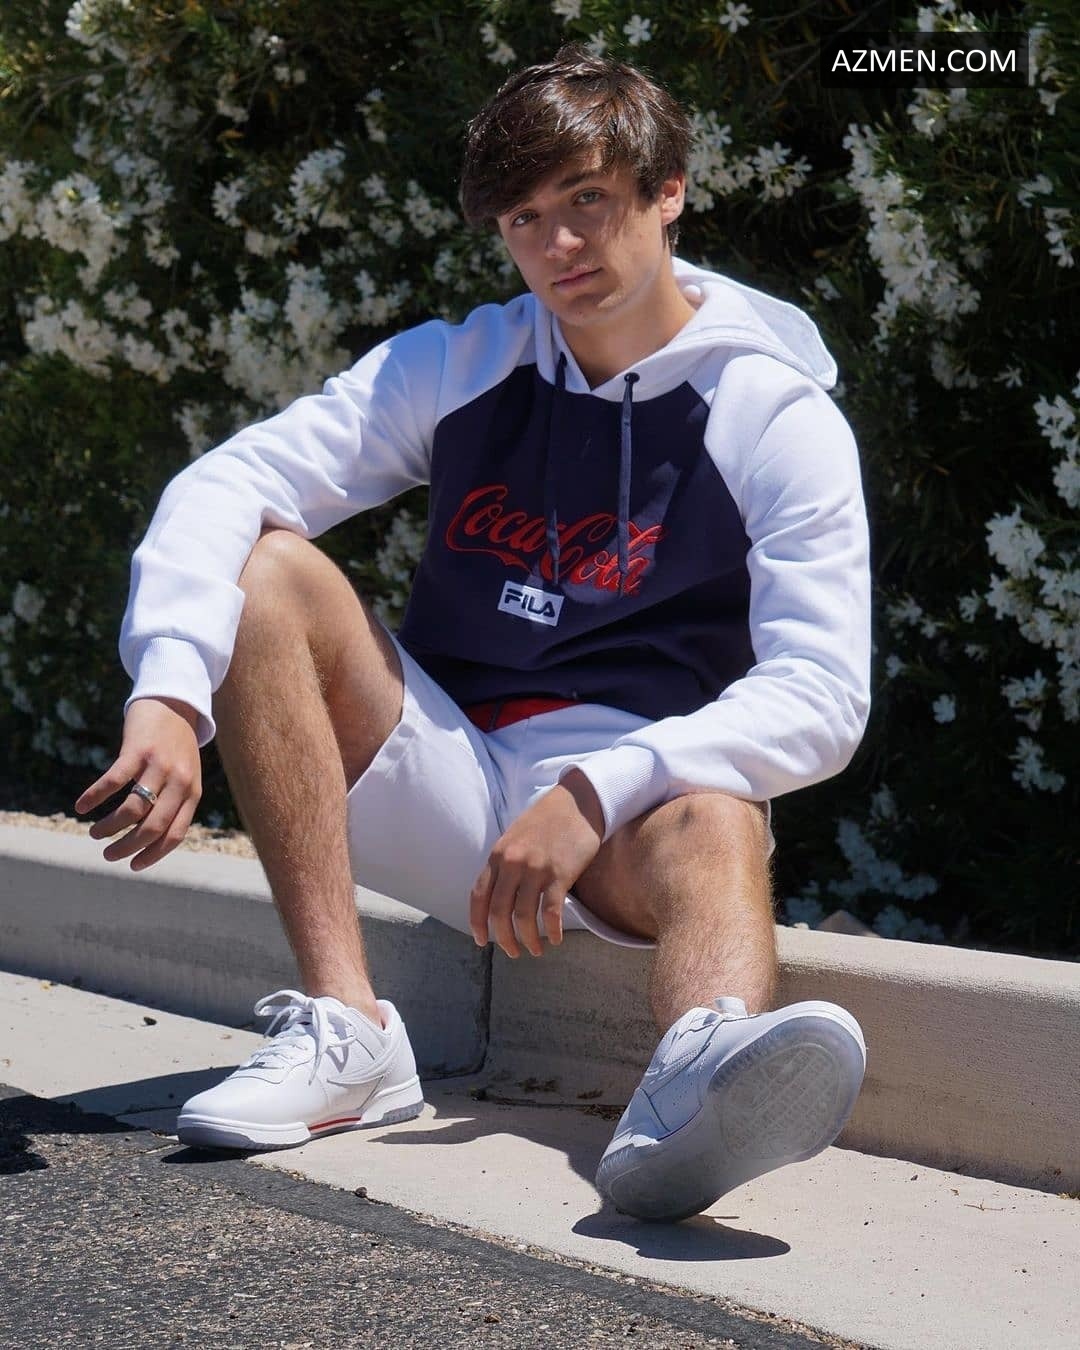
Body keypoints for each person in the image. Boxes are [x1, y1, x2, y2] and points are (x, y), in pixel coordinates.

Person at [75, 46, 871, 1223]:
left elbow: (823, 691)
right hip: (441, 772)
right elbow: (231, 479)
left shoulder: (772, 411)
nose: (559, 246)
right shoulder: (462, 365)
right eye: (523, 219)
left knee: (718, 813)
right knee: (270, 569)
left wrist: (597, 788)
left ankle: (697, 1087)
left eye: (587, 199)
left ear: (668, 191)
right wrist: (168, 689)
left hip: (628, 814)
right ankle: (348, 1031)